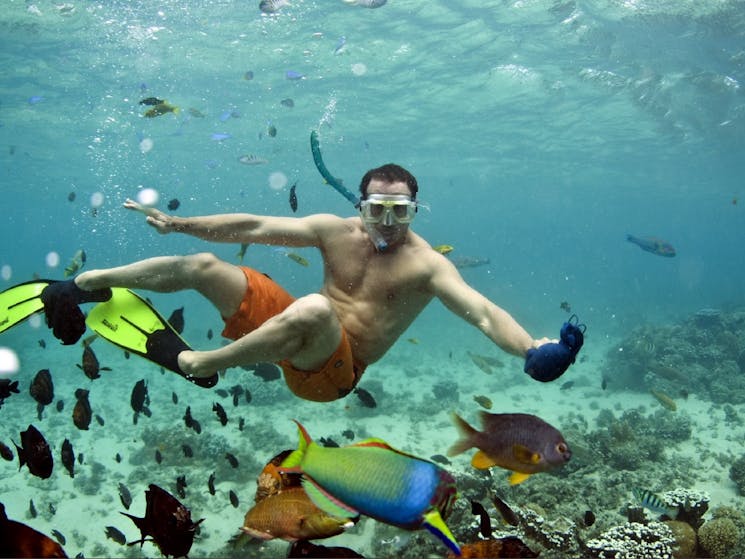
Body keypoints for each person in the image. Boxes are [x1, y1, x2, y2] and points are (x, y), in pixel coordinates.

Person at [40, 163, 578, 401]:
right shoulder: (332, 231)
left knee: (315, 310)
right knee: (202, 265)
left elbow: (482, 312)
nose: (387, 222)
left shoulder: (427, 266)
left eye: (400, 211)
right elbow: (253, 227)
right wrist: (178, 223)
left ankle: (197, 364)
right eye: (377, 208)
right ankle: (89, 283)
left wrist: (531, 348)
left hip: (331, 376)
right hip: (291, 330)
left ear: (415, 210)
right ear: (361, 205)